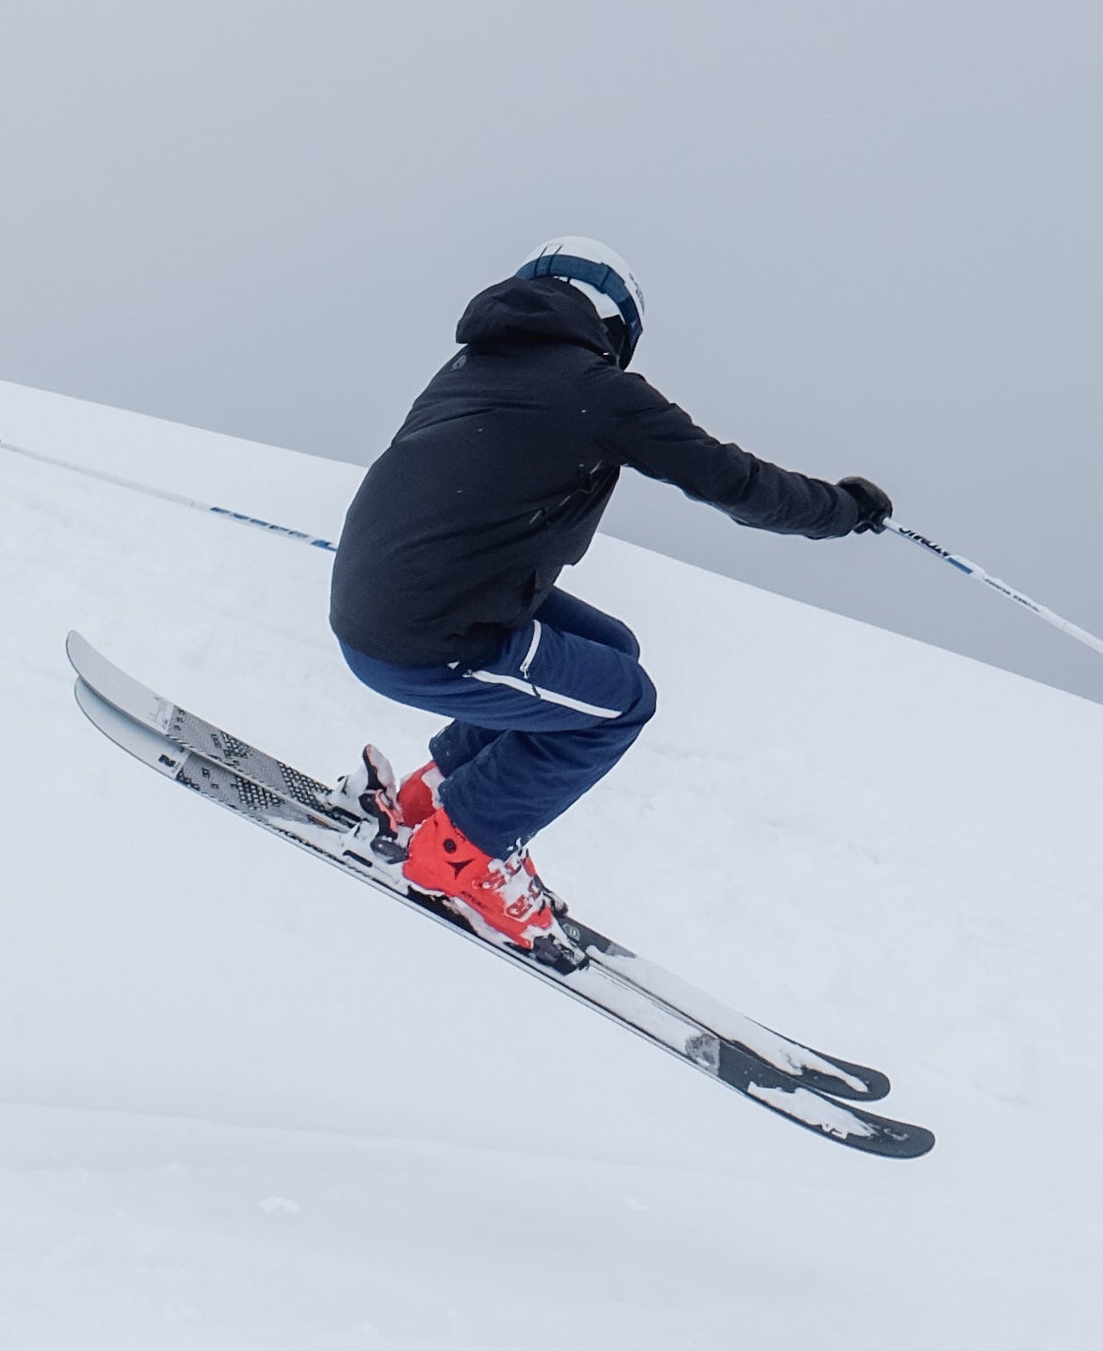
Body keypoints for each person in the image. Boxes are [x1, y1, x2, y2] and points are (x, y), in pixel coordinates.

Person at [328, 237, 892, 948]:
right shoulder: (594, 389)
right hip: (429, 636)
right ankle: (461, 855)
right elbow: (736, 483)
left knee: (608, 650)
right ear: (613, 325)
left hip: (384, 605)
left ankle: (428, 802)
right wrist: (845, 509)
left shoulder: (470, 365)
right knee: (619, 705)